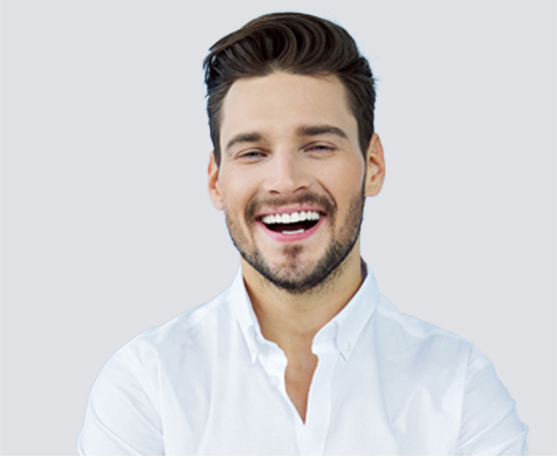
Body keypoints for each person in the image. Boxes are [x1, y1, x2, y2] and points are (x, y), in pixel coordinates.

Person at [77, 12, 528, 455]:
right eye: (253, 152)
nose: (285, 180)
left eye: (318, 147)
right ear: (216, 181)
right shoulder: (145, 386)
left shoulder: (461, 388)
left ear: (373, 165)